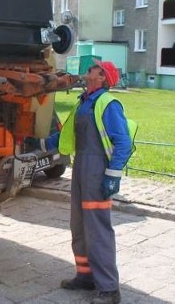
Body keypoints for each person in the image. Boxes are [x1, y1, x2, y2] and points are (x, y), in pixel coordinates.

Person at [30, 59, 131, 304]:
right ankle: (85, 276)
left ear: (102, 78)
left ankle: (109, 289)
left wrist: (113, 175)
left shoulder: (108, 104)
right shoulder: (84, 103)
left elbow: (124, 143)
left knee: (98, 230)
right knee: (79, 225)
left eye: (91, 71)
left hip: (97, 173)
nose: (86, 75)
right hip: (81, 171)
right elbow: (66, 136)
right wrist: (40, 145)